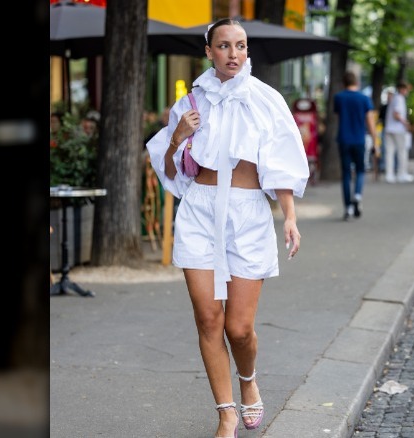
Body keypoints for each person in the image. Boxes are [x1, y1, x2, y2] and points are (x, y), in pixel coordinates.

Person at [145, 18, 309, 438]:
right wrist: (178, 137)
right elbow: (171, 172)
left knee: (238, 327)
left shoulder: (265, 99)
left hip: (248, 213)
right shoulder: (190, 103)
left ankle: (248, 379)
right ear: (209, 51)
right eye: (224, 45)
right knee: (207, 319)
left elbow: (282, 163)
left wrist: (288, 216)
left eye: (240, 45)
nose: (233, 53)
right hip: (199, 210)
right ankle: (226, 414)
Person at [333, 71, 377, 220]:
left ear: (344, 82)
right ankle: (357, 195)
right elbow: (369, 121)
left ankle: (348, 208)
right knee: (360, 170)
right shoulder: (364, 99)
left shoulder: (338, 98)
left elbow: (339, 118)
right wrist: (375, 139)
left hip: (344, 139)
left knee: (346, 174)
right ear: (357, 82)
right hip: (359, 139)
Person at [383, 82, 413, 183]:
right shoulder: (400, 99)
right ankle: (401, 173)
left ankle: (389, 174)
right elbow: (396, 115)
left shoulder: (394, 98)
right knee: (402, 152)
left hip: (389, 128)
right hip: (398, 129)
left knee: (389, 152)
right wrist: (405, 123)